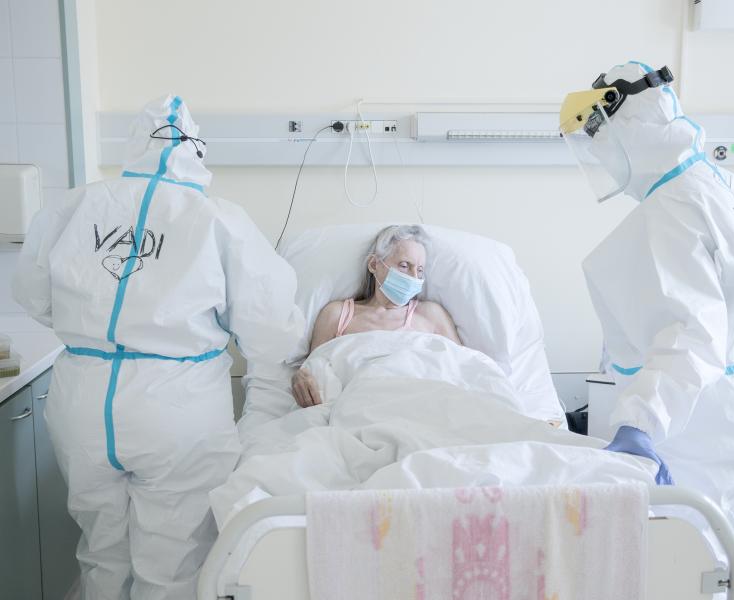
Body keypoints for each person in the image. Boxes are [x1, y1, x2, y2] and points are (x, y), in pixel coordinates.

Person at [12, 95, 303, 599]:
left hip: (83, 398)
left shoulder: (74, 205)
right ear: (198, 150)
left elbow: (33, 296)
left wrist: (97, 332)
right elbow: (273, 329)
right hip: (176, 406)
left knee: (100, 547)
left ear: (132, 146)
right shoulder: (218, 219)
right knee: (173, 559)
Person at [559, 61, 734, 531]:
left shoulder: (671, 213)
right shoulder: (720, 183)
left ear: (626, 129)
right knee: (708, 557)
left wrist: (640, 424)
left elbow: (695, 333)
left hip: (704, 417)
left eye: (599, 140)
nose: (600, 157)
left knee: (683, 558)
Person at [292, 224, 461, 407]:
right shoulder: (337, 315)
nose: (413, 277)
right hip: (358, 404)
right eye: (404, 266)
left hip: (420, 403)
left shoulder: (431, 315)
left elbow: (465, 365)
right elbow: (312, 370)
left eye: (420, 270)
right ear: (374, 265)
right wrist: (299, 378)